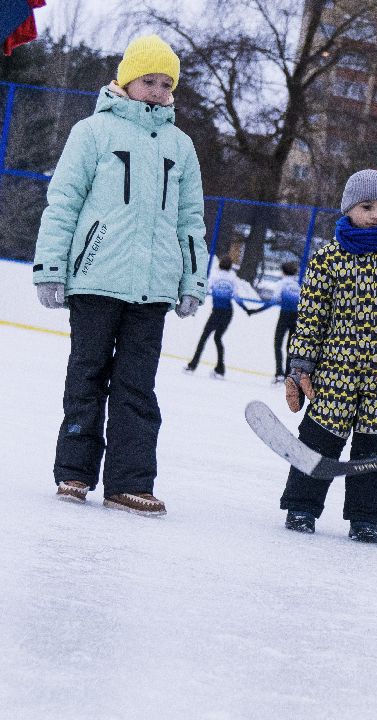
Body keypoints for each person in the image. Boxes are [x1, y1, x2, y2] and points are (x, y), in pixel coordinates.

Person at [32, 35, 207, 516]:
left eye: (165, 84)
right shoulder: (92, 133)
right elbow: (63, 202)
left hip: (152, 290)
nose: (156, 90)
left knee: (136, 387)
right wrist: (51, 268)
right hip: (95, 280)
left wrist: (192, 280)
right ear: (126, 80)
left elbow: (191, 220)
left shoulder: (181, 147)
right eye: (148, 80)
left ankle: (130, 482)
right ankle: (74, 472)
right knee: (86, 377)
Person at [279, 169, 377, 543]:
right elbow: (311, 317)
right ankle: (302, 506)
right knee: (317, 440)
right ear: (349, 208)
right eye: (367, 206)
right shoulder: (327, 259)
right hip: (334, 373)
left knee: (376, 448)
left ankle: (365, 518)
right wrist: (300, 366)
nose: (376, 215)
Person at [184, 255, 250, 378]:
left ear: (220, 265)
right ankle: (220, 369)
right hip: (228, 313)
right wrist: (247, 309)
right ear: (230, 266)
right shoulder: (233, 278)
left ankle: (192, 365)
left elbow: (205, 291)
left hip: (217, 312)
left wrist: (194, 305)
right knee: (217, 338)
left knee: (204, 338)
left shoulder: (215, 276)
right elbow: (236, 297)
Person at [249, 259, 301, 383]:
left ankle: (279, 374)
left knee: (278, 344)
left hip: (285, 316)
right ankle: (289, 374)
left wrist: (256, 310)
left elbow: (273, 301)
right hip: (296, 317)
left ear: (283, 272)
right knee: (290, 347)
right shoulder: (297, 285)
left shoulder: (281, 284)